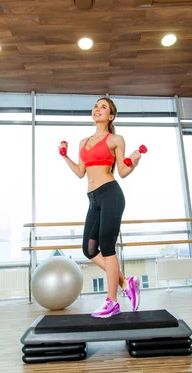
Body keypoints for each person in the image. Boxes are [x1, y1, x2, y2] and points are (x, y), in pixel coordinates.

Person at [58, 97, 142, 318]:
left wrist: (135, 161)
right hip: (93, 198)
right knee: (89, 249)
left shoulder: (115, 139)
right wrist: (65, 156)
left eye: (103, 107)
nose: (97, 109)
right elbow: (80, 173)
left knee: (107, 247)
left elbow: (122, 172)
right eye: (96, 106)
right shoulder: (83, 142)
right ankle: (127, 282)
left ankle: (112, 301)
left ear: (111, 116)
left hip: (111, 194)